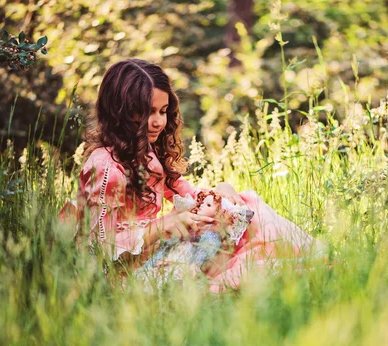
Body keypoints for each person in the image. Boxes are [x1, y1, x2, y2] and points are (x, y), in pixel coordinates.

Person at [68, 58, 317, 293]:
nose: (157, 122)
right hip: (123, 273)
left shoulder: (147, 155)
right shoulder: (106, 168)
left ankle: (307, 255)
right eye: (147, 112)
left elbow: (188, 194)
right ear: (119, 112)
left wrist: (221, 192)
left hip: (157, 252)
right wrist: (162, 225)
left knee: (245, 203)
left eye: (163, 111)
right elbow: (97, 248)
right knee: (239, 267)